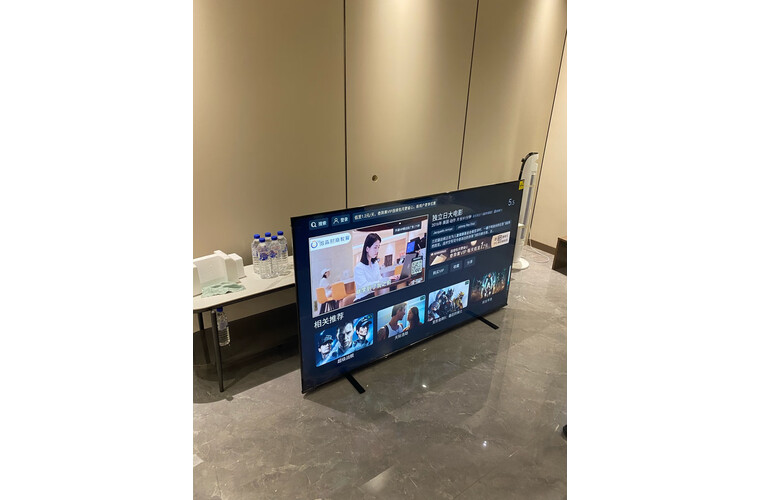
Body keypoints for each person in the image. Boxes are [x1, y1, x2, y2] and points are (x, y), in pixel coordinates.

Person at [354, 233, 397, 301]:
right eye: (375, 247)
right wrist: (386, 280)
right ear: (367, 249)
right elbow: (365, 287)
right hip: (361, 300)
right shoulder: (359, 268)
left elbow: (379, 280)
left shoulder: (375, 264)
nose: (377, 251)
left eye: (378, 247)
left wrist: (390, 279)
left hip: (372, 297)